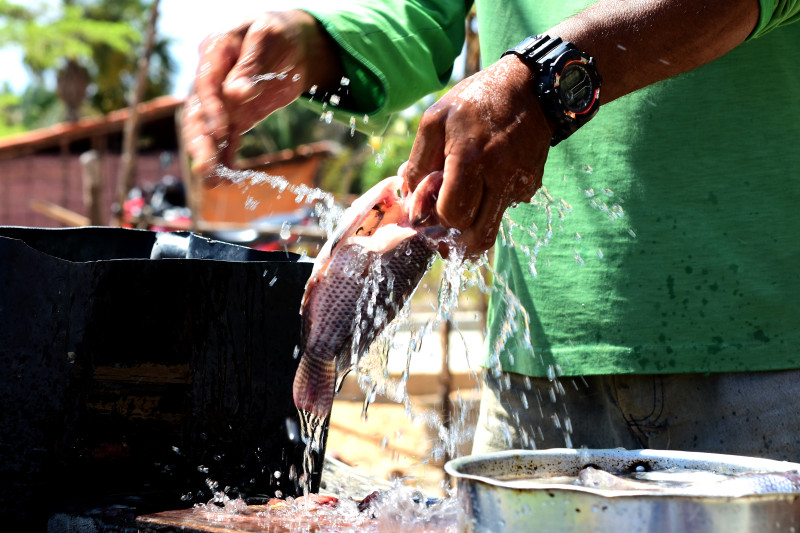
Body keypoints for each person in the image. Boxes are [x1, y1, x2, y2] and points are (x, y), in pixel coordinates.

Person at [184, 1, 800, 461]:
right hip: (533, 370)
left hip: (771, 361)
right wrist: (314, 40)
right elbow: (420, 15)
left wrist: (546, 79)